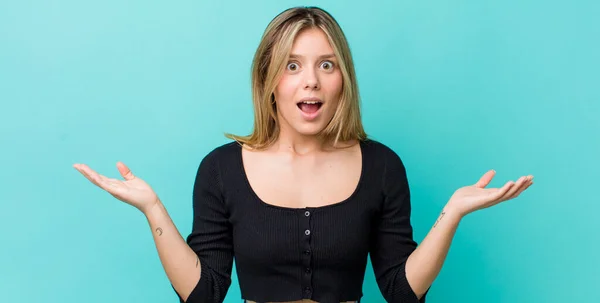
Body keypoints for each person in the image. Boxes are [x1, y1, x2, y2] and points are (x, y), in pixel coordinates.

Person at [73, 6, 534, 303]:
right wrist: (152, 208)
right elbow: (205, 294)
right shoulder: (220, 170)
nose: (310, 80)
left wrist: (451, 213)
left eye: (326, 65)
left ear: (342, 80)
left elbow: (400, 291)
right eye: (292, 65)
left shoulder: (382, 167)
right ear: (270, 81)